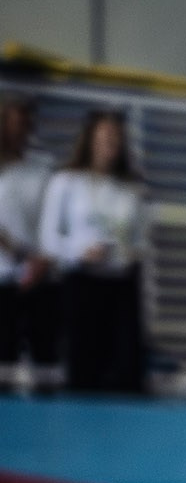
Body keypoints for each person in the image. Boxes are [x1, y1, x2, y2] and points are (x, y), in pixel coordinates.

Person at [38, 108, 147, 396]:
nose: (111, 143)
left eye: (116, 138)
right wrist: (78, 251)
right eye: (105, 136)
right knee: (84, 367)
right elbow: (48, 239)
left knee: (125, 369)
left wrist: (125, 253)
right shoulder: (66, 182)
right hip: (82, 283)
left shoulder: (129, 189)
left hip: (121, 285)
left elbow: (140, 240)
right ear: (91, 139)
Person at [0, 97, 60, 394]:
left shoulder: (44, 168)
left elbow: (57, 220)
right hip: (3, 277)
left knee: (44, 360)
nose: (17, 130)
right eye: (11, 122)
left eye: (24, 123)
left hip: (39, 278)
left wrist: (42, 261)